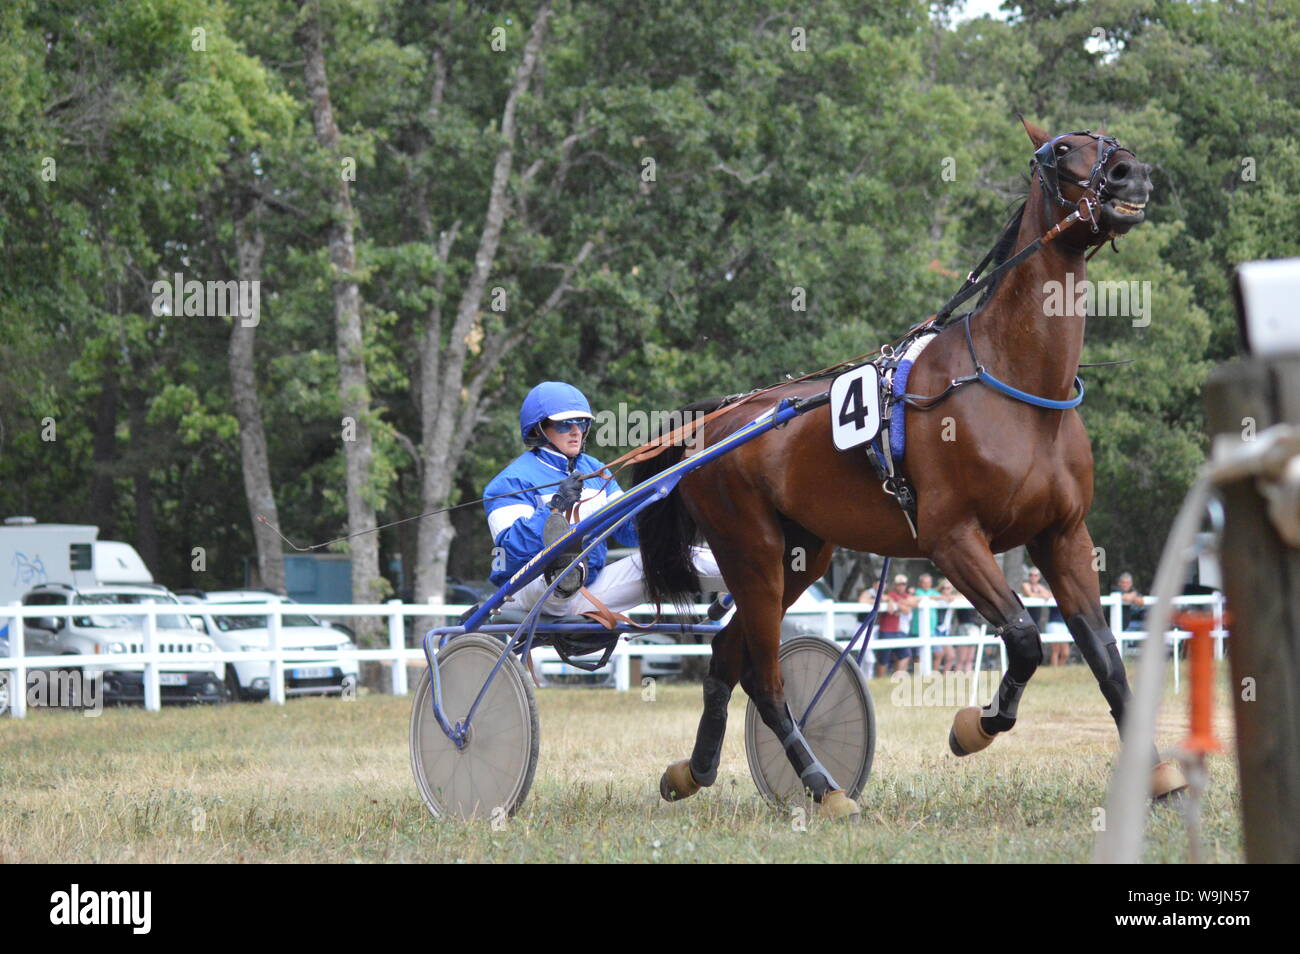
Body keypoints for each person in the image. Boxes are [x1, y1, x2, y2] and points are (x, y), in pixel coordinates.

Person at [484, 381, 724, 619]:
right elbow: (511, 551)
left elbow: (629, 531)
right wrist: (555, 507)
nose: (576, 431)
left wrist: (668, 500)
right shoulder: (509, 482)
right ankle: (566, 574)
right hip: (529, 591)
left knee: (664, 558)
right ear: (538, 429)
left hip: (591, 586)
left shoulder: (596, 470)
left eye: (581, 423)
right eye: (565, 424)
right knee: (566, 565)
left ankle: (753, 572)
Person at [873, 574, 917, 679]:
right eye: (899, 584)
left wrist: (898, 604)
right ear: (895, 585)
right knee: (884, 659)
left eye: (903, 584)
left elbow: (913, 605)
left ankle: (898, 679)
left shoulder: (904, 596)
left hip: (899, 631)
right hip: (887, 629)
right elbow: (885, 598)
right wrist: (898, 604)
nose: (901, 586)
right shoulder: (891, 595)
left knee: (905, 655)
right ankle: (880, 680)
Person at [909, 573, 943, 671]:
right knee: (918, 655)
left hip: (931, 629)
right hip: (918, 628)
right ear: (920, 583)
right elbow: (917, 598)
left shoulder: (933, 592)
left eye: (928, 583)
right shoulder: (917, 592)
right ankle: (918, 674)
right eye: (924, 583)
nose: (926, 584)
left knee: (938, 652)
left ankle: (934, 673)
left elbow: (941, 597)